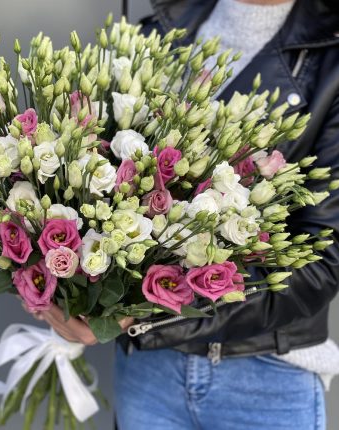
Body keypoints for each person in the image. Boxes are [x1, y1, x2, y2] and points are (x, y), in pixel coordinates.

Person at [35, 0, 339, 428]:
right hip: (148, 376)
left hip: (265, 377)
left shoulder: (330, 60)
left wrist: (147, 314)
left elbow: (324, 261)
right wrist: (57, 278)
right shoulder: (154, 31)